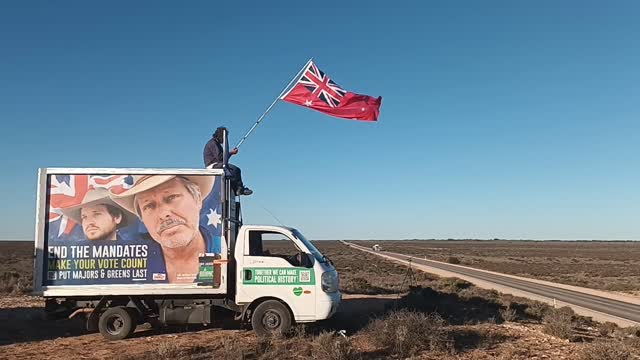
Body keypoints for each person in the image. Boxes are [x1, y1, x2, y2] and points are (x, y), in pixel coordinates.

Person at [111, 175, 220, 283]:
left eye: (171, 198)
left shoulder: (227, 252)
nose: (163, 214)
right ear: (142, 218)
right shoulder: (129, 268)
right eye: (149, 206)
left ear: (198, 199)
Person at [61, 188, 136, 241]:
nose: (89, 222)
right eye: (84, 217)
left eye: (96, 214)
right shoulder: (73, 257)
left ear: (117, 217)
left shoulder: (133, 256)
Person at [203, 126, 252, 196]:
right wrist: (231, 153)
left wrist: (231, 153)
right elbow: (220, 157)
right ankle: (239, 189)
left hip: (217, 164)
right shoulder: (213, 143)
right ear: (220, 136)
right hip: (213, 166)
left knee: (232, 173)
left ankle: (236, 189)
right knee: (235, 170)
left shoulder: (216, 143)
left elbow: (223, 158)